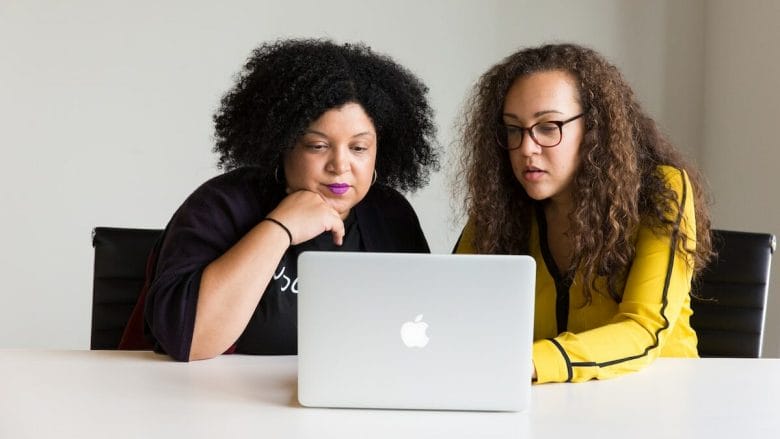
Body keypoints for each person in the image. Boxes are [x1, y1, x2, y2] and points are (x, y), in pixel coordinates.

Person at [120, 39, 438, 361]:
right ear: (283, 144)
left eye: (358, 148)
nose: (340, 166)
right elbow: (189, 342)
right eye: (317, 146)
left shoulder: (390, 214)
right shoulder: (222, 205)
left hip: (350, 402)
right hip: (211, 401)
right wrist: (280, 227)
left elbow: (427, 328)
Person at [454, 43, 713, 383]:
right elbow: (453, 305)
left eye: (548, 127)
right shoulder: (502, 203)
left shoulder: (659, 191)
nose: (526, 148)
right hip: (542, 402)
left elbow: (643, 330)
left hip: (658, 400)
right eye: (513, 130)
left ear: (594, 129)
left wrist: (529, 362)